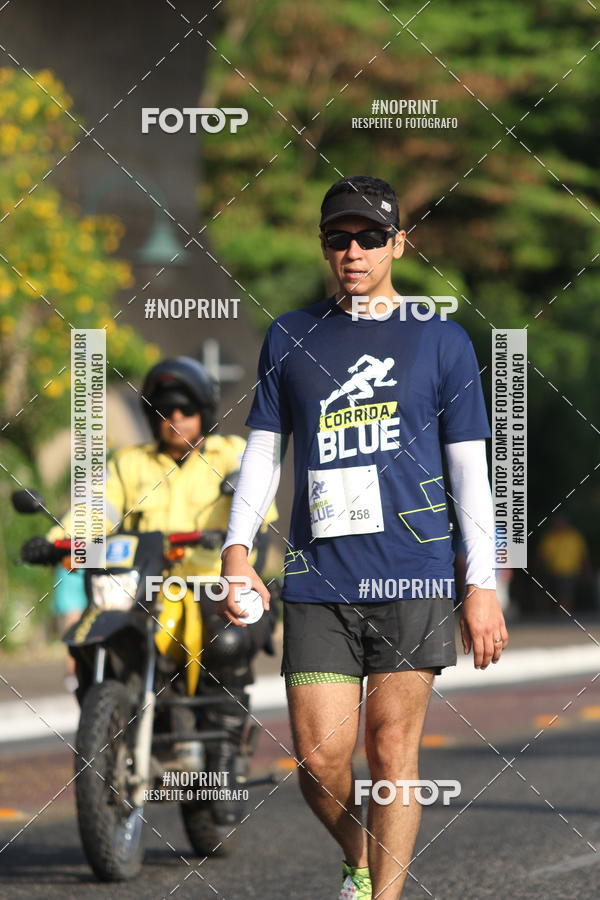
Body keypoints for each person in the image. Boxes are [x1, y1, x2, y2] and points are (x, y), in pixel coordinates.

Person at [219, 175, 508, 899]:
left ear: (398, 244)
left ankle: (383, 896)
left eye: (371, 237)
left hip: (414, 574)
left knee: (391, 749)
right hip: (318, 580)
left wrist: (481, 584)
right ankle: (361, 856)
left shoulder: (440, 340)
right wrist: (236, 552)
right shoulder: (291, 335)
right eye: (339, 238)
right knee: (319, 761)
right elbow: (264, 453)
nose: (355, 251)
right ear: (324, 246)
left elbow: (471, 472)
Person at [22, 356, 278, 784]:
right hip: (142, 589)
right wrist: (58, 541)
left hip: (211, 587)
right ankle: (112, 732)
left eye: (186, 409)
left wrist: (236, 509)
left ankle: (224, 755)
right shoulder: (129, 464)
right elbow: (95, 509)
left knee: (227, 641)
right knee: (95, 636)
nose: (175, 418)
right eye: (165, 410)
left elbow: (258, 504)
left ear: (205, 412)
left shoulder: (233, 453)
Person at [536, 513, 591, 613]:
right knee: (557, 593)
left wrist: (585, 570)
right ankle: (560, 612)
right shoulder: (550, 537)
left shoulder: (574, 536)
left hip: (571, 570)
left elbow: (582, 554)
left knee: (567, 592)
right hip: (554, 571)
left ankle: (563, 612)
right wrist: (542, 566)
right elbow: (543, 554)